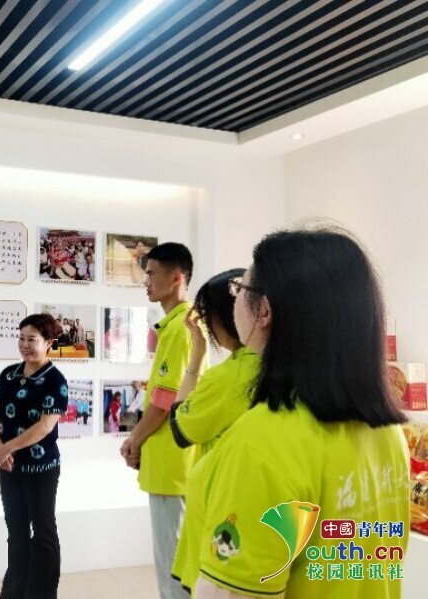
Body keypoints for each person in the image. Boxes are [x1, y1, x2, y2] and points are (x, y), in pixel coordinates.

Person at [188, 229, 409, 599]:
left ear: (264, 310)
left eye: (240, 288)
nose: (235, 296)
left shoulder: (262, 444)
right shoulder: (387, 432)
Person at [166, 268, 259, 592]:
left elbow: (181, 429)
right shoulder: (278, 368)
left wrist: (196, 356)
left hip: (222, 514)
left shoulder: (228, 378)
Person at [119, 242, 198, 599]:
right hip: (173, 463)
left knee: (172, 569)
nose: (146, 281)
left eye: (151, 274)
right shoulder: (179, 325)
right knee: (176, 562)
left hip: (171, 466)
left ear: (176, 277)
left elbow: (163, 401)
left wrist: (133, 439)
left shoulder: (180, 328)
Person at [0, 314, 68, 599]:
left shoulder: (55, 380)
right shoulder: (8, 374)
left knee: (43, 532)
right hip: (8, 466)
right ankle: (13, 592)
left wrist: (6, 448)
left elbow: (45, 426)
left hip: (41, 468)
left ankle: (42, 594)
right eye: (21, 338)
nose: (24, 344)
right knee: (16, 531)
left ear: (49, 343)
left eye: (32, 339)